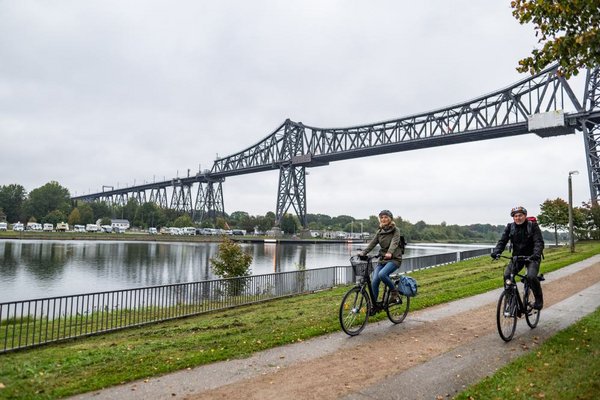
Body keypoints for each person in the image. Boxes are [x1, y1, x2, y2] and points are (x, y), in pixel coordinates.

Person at [491, 206, 545, 309]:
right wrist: (497, 252)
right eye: (515, 216)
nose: (518, 218)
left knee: (531, 276)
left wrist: (536, 254)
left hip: (532, 257)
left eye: (520, 215)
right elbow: (502, 241)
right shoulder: (510, 227)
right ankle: (512, 301)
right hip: (517, 258)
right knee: (507, 275)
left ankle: (538, 300)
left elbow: (539, 242)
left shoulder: (532, 226)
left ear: (525, 216)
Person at [358, 209, 403, 304]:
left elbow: (394, 242)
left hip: (394, 259)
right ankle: (373, 305)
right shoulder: (380, 231)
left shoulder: (396, 230)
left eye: (386, 217)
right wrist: (364, 253)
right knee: (374, 281)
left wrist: (390, 252)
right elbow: (373, 243)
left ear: (390, 219)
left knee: (382, 274)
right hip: (383, 259)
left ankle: (394, 292)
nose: (383, 219)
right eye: (381, 217)